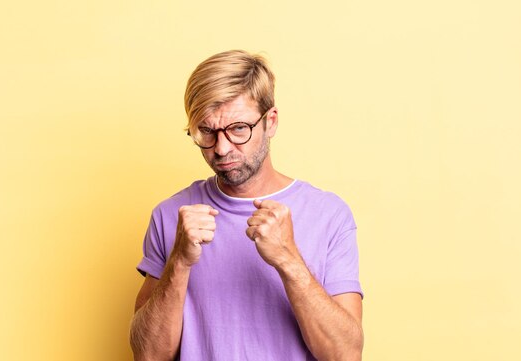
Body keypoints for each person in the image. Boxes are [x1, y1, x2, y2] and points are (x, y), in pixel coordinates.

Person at [129, 50, 364, 361]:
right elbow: (148, 355)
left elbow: (345, 354)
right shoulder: (171, 216)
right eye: (207, 132)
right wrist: (179, 263)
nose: (222, 148)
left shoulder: (329, 215)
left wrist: (288, 259)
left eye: (239, 128)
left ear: (270, 122)